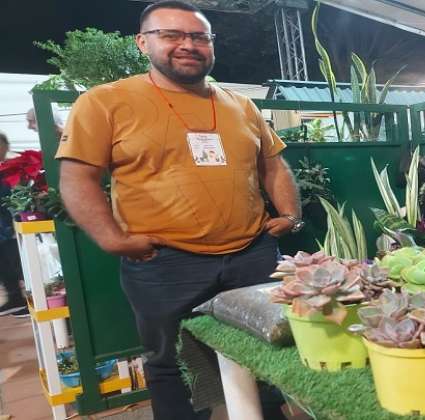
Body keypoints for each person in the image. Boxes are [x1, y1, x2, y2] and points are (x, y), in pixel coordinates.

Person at [55, 2, 301, 419]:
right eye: (172, 35)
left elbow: (272, 163)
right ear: (143, 42)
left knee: (267, 353)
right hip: (165, 263)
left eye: (199, 37)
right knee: (173, 365)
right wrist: (113, 239)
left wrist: (290, 212)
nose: (188, 45)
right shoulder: (105, 102)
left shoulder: (240, 105)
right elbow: (77, 178)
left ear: (211, 45)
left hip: (251, 255)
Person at [0, 132, 28, 317]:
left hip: (10, 227)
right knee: (3, 265)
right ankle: (15, 298)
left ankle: (28, 299)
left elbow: (15, 198)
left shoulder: (13, 169)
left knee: (19, 265)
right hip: (3, 228)